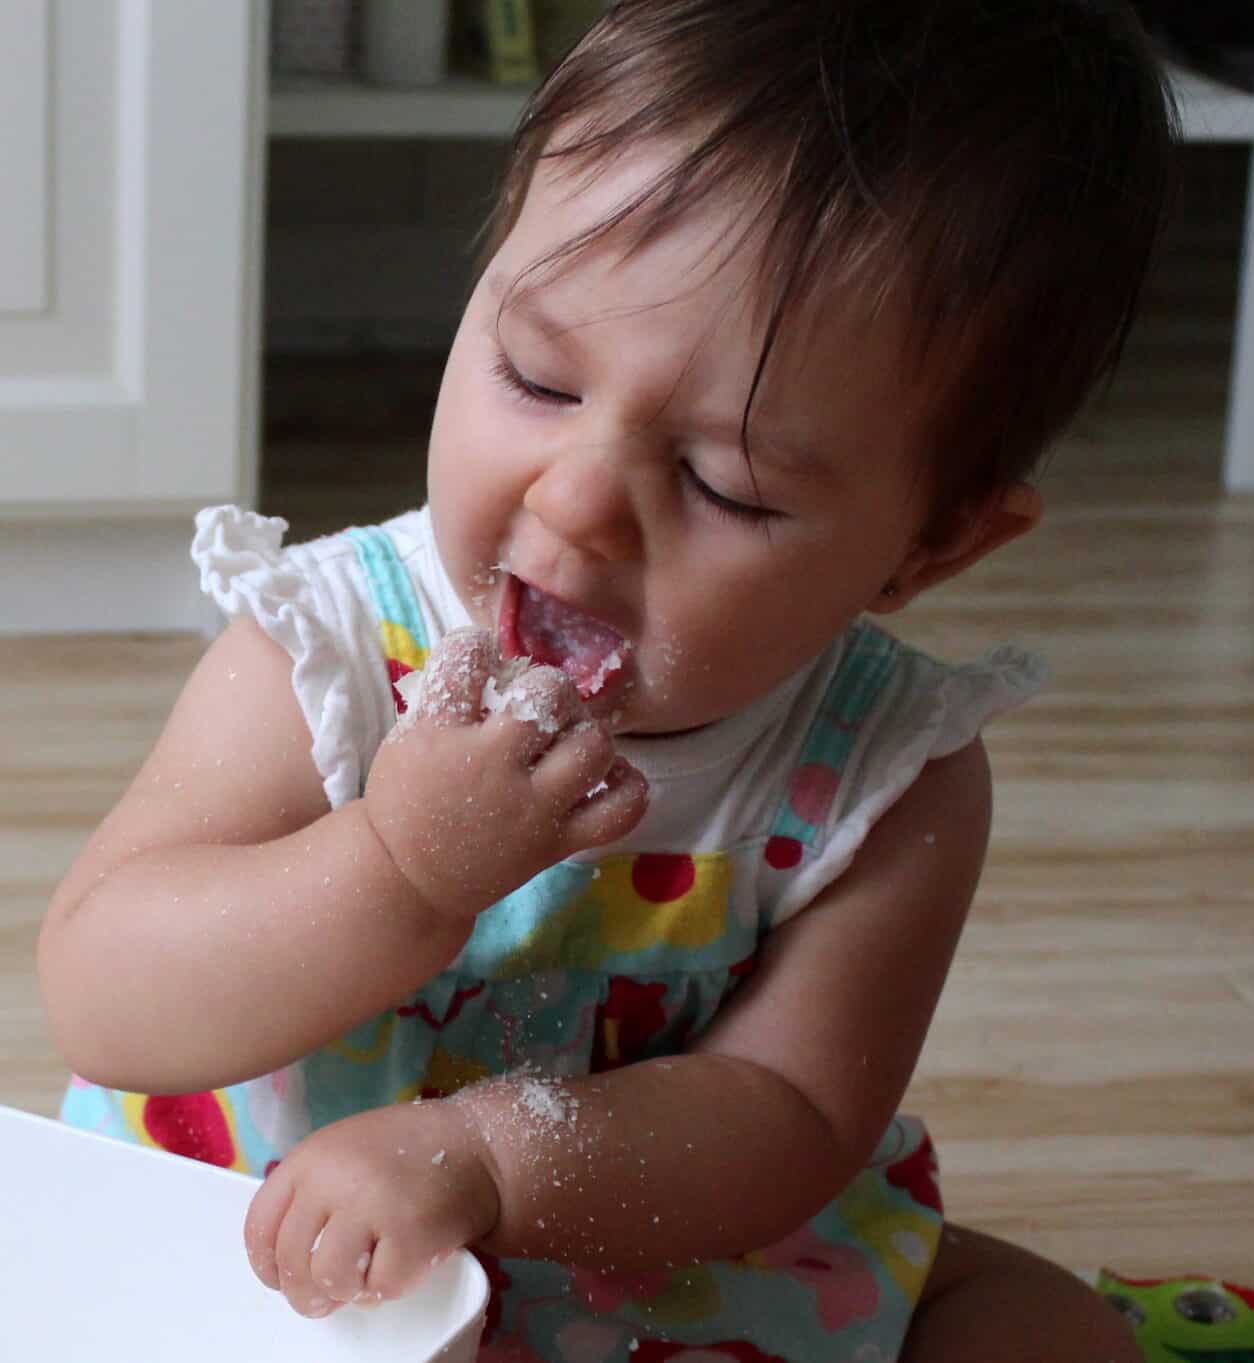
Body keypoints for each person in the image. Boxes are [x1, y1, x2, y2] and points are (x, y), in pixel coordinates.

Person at [38, 1, 1175, 1357]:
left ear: (933, 543)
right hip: (289, 1261)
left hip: (643, 1260)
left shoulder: (888, 773)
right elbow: (106, 997)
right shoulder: (327, 650)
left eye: (724, 486)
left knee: (1050, 1334)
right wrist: (399, 868)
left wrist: (488, 1158)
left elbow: (795, 1112)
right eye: (534, 376)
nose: (576, 503)